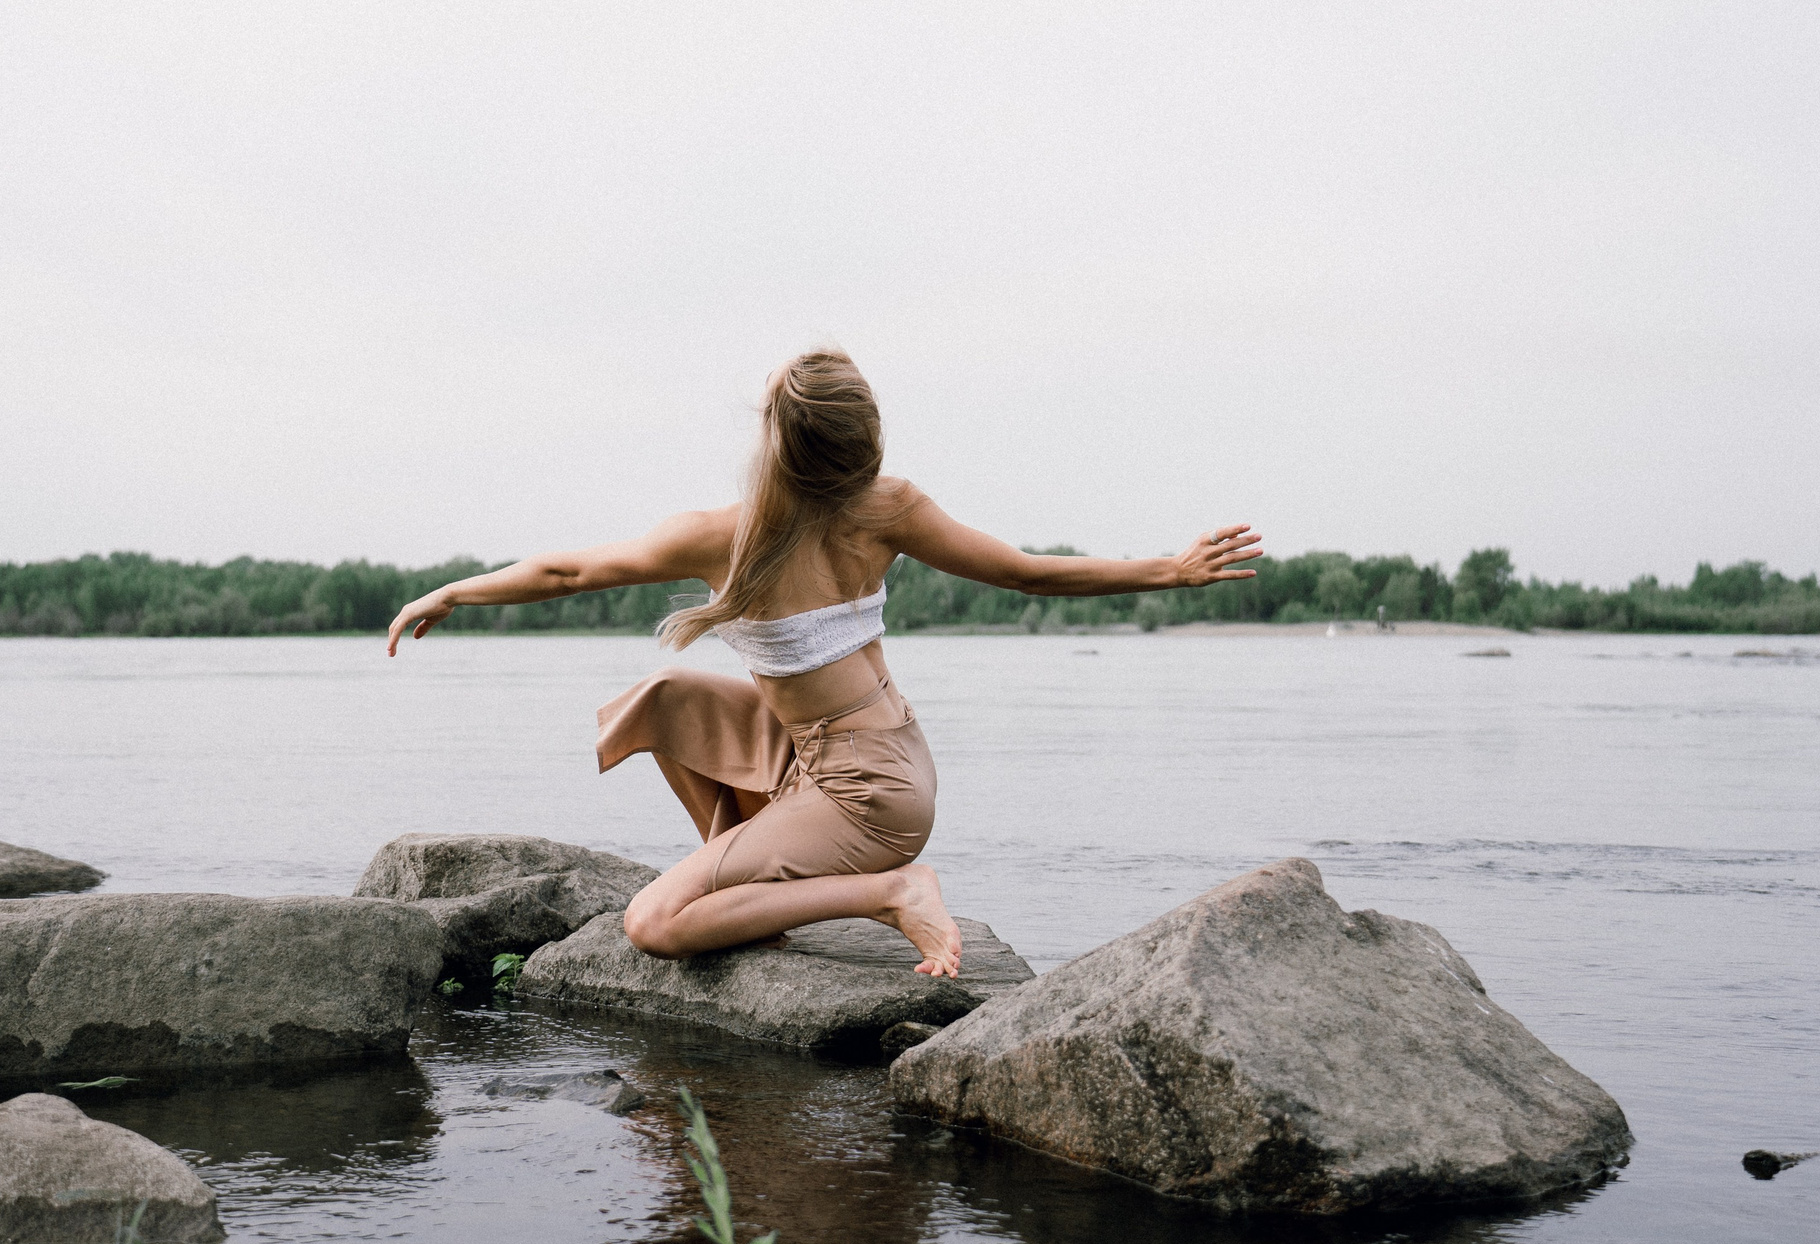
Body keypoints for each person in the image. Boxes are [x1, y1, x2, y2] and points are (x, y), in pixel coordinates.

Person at [385, 350, 1261, 977]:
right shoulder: (879, 507)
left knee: (653, 922)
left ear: (778, 442)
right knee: (657, 698)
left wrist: (1167, 570)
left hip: (865, 795)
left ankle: (888, 893)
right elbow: (1026, 573)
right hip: (857, 754)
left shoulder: (754, 531)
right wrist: (458, 592)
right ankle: (745, 881)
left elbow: (571, 571)